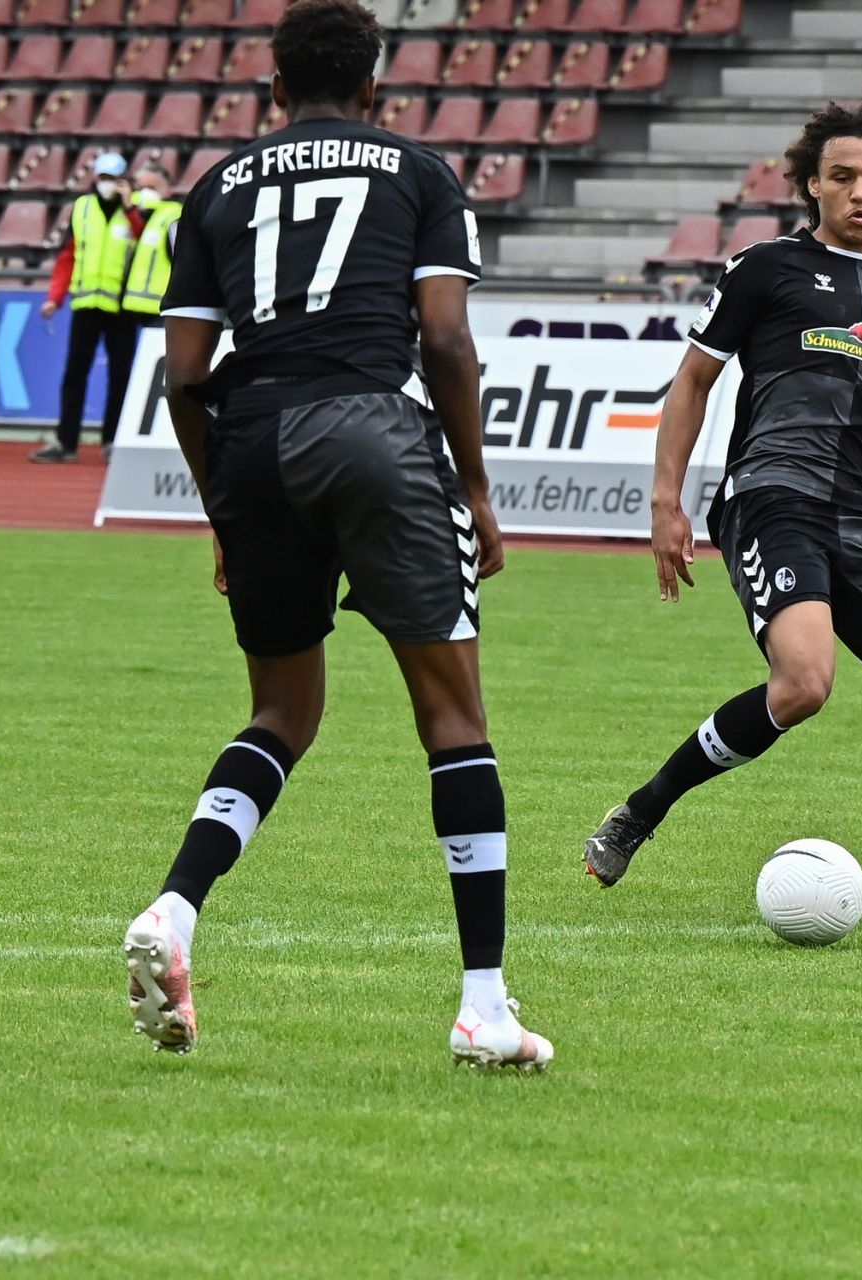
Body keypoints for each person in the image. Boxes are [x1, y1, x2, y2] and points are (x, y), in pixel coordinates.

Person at [122, 0, 553, 1068]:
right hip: (372, 428)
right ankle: (484, 1006)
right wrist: (475, 485)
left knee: (282, 710)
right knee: (453, 716)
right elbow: (444, 338)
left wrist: (222, 507)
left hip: (252, 441)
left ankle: (177, 906)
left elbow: (183, 377)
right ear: (373, 89)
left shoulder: (216, 187)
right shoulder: (419, 173)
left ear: (274, 88)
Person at [583, 101, 862, 926]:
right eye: (842, 177)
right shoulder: (765, 267)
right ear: (812, 185)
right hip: (772, 497)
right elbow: (692, 381)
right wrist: (667, 501)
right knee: (803, 685)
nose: (860, 193)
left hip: (861, 514)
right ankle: (642, 811)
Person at [31, 152, 144, 463]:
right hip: (87, 305)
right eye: (103, 178)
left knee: (120, 376)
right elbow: (68, 255)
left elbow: (145, 241)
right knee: (75, 373)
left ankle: (113, 441)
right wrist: (55, 297)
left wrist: (130, 208)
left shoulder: (135, 211)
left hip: (122, 307)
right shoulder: (82, 208)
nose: (107, 184)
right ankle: (66, 443)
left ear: (124, 181)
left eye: (114, 179)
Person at [121, 161, 183, 327]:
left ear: (168, 189)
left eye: (152, 188)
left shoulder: (173, 216)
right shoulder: (139, 216)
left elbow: (183, 262)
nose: (145, 193)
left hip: (161, 310)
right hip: (134, 307)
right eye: (141, 188)